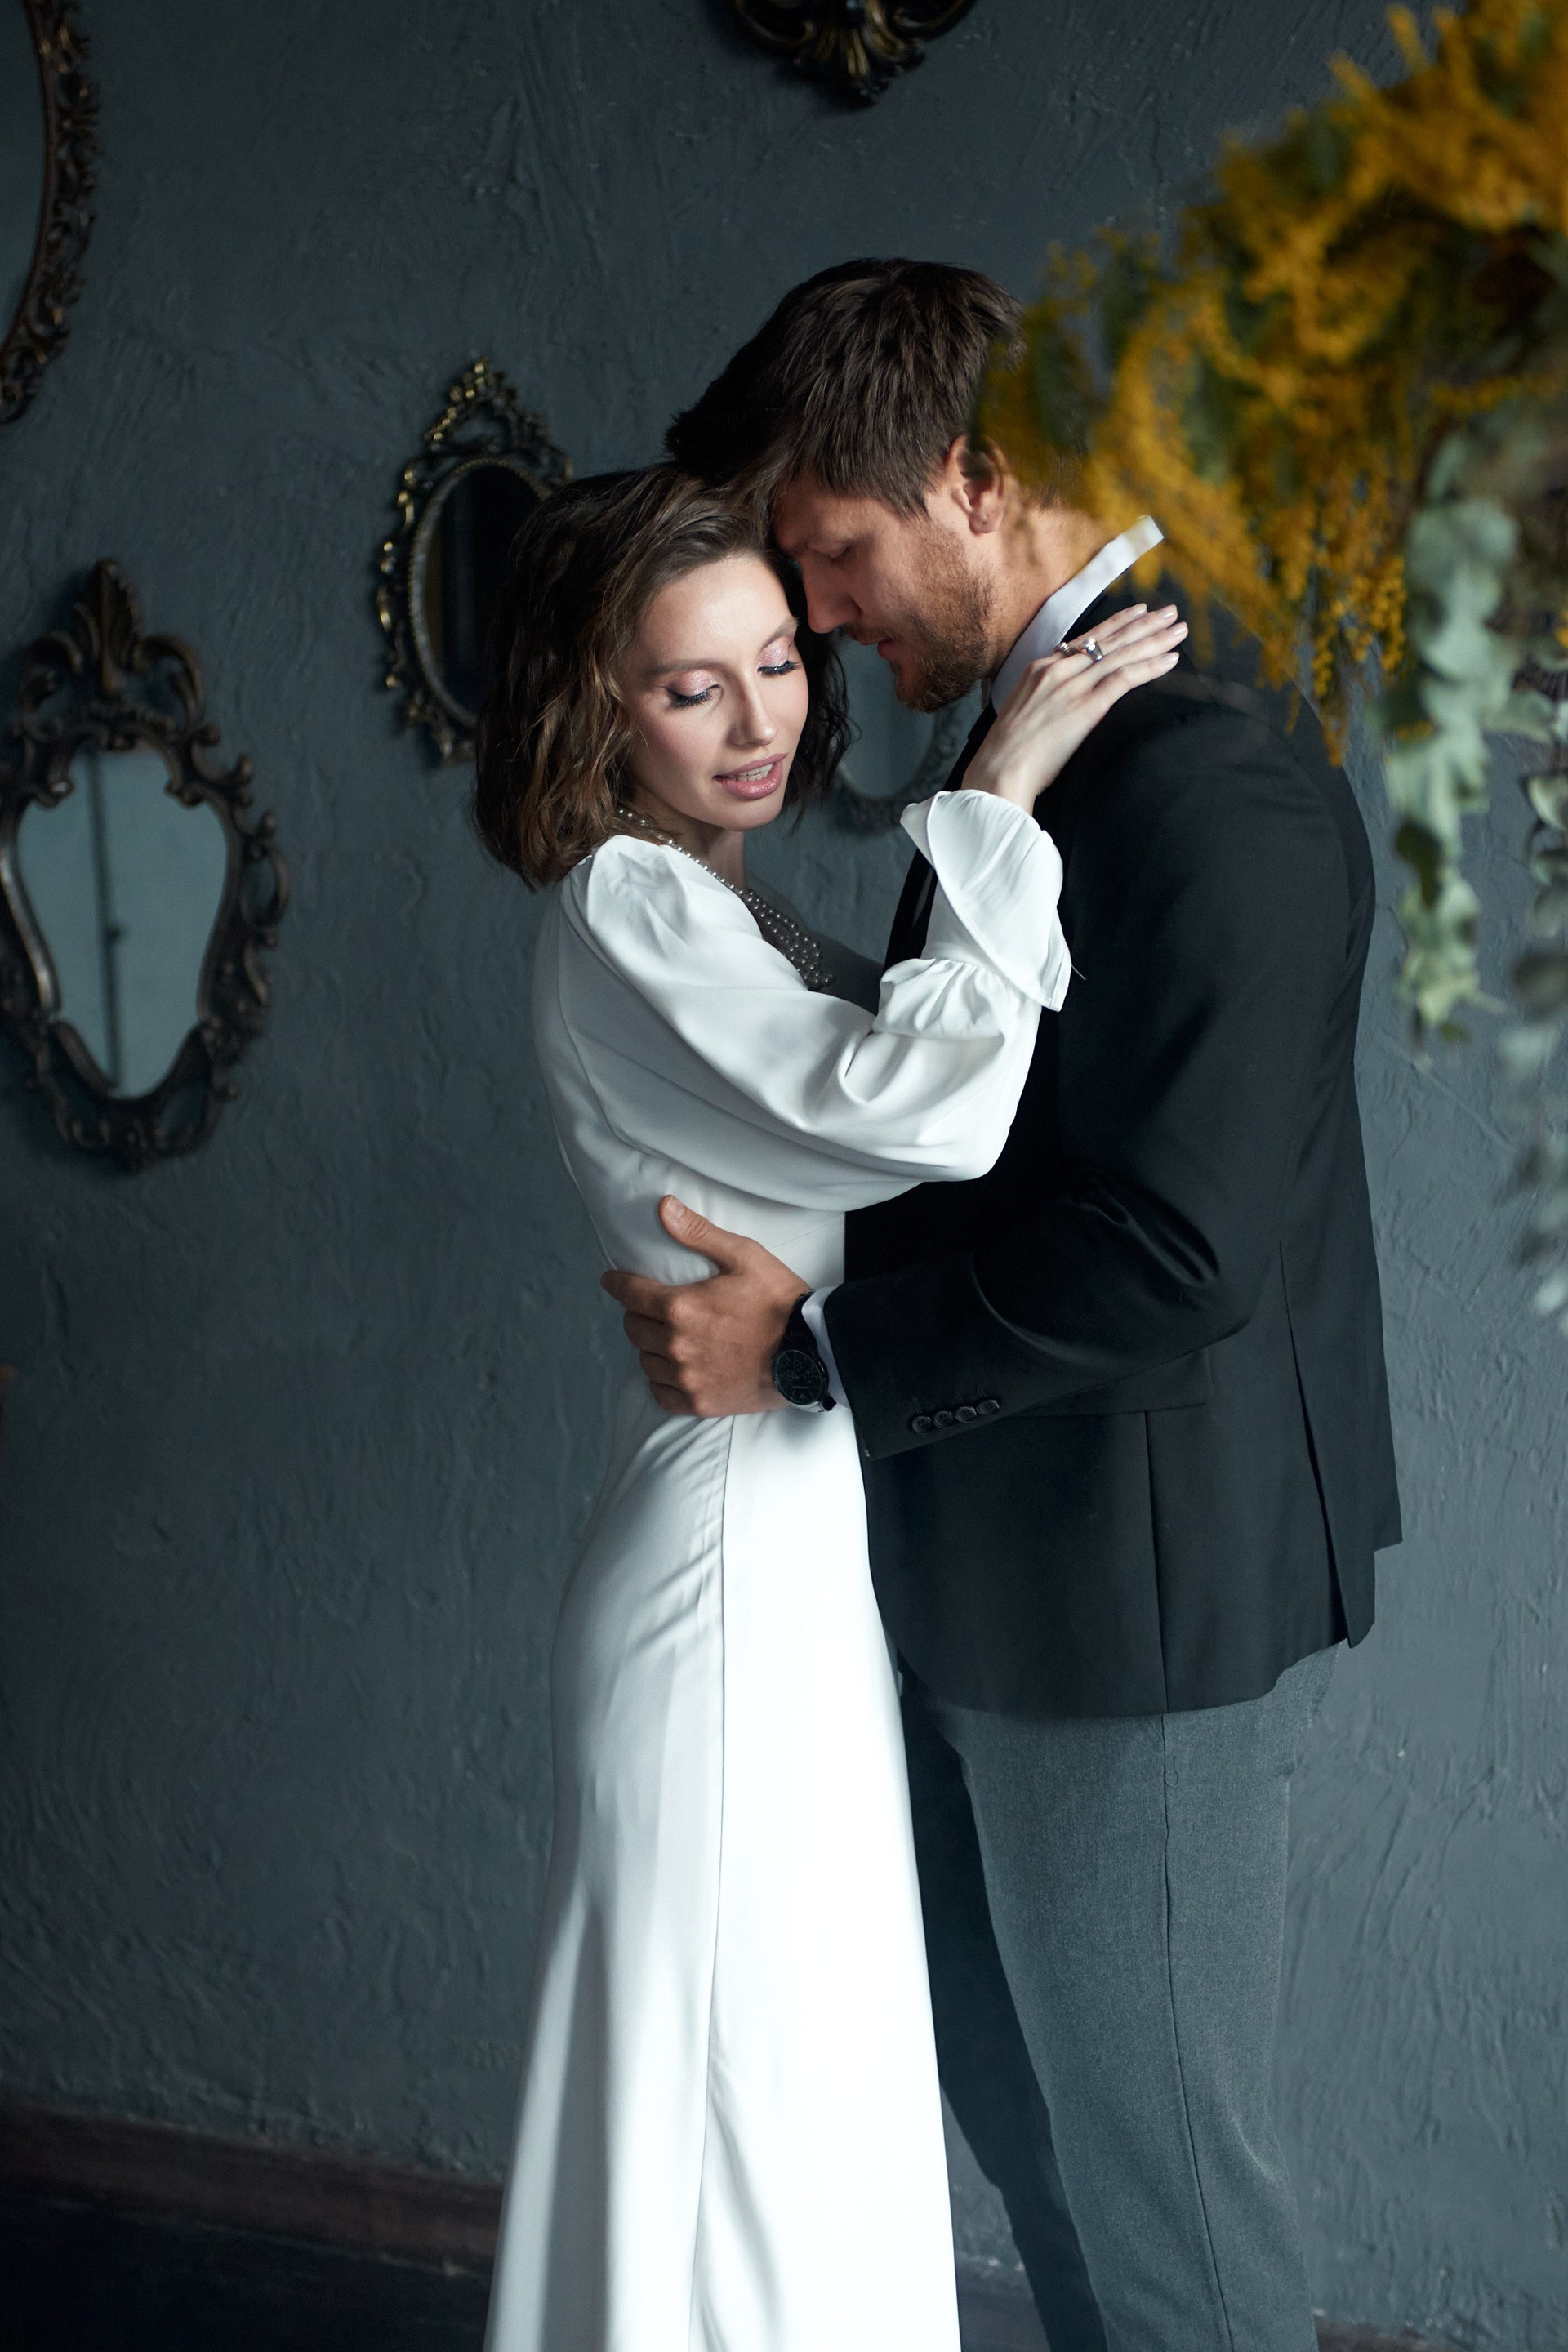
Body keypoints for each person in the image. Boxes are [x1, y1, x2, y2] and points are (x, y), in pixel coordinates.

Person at [604, 261, 1403, 2352]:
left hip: (1129, 1600)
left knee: (1169, 2209)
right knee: (1048, 2150)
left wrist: (807, 1352)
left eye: (833, 558)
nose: (817, 620)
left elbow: (1177, 1249)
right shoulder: (1045, 739)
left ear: (976, 477)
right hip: (1006, 1569)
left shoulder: (1207, 760)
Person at [471, 462, 1185, 2352]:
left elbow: (914, 1122)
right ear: (598, 709)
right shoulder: (628, 899)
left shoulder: (717, 904)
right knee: (753, 2123)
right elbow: (922, 1111)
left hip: (786, 1530)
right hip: (729, 1565)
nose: (758, 717)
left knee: (780, 2102)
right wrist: (997, 797)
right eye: (689, 685)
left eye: (777, 661)